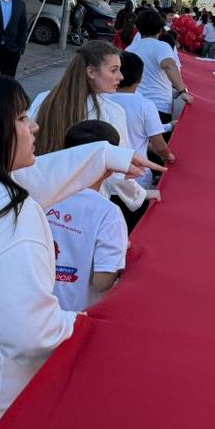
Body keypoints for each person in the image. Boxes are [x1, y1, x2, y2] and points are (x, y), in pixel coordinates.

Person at [0, 71, 162, 429]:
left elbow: (40, 176)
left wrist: (107, 155)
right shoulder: (5, 216)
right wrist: (87, 325)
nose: (33, 126)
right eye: (20, 118)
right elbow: (31, 333)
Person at [28, 41, 150, 213]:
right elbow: (117, 169)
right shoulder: (111, 112)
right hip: (84, 208)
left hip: (42, 198)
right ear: (91, 72)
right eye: (114, 70)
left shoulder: (44, 99)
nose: (121, 77)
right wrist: (140, 195)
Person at [48, 121, 130, 312]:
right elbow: (102, 281)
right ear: (110, 165)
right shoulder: (107, 213)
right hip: (74, 318)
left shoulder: (38, 195)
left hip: (30, 312)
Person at [107, 52, 173, 228]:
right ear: (140, 78)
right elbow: (158, 145)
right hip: (135, 181)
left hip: (105, 178)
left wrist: (167, 126)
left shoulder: (102, 99)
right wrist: (169, 157)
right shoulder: (144, 105)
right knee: (129, 227)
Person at [127, 9, 193, 122]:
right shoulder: (162, 46)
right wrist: (182, 91)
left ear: (138, 28)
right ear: (160, 29)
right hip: (158, 106)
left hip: (133, 105)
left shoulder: (129, 49)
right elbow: (169, 65)